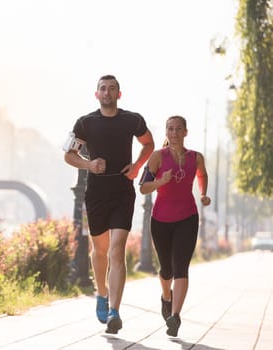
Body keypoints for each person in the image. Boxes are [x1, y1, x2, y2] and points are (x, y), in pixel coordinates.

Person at [64, 75, 154, 334]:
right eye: (103, 89)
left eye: (111, 89)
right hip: (96, 193)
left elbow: (148, 143)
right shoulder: (85, 123)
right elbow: (69, 155)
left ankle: (115, 310)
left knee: (117, 251)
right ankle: (101, 294)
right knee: (100, 251)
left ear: (119, 94)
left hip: (122, 192)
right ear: (97, 94)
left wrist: (137, 166)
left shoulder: (132, 120)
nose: (107, 92)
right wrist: (89, 165)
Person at [139, 115, 211, 337]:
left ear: (185, 132)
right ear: (166, 132)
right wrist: (161, 182)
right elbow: (142, 187)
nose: (174, 133)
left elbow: (202, 174)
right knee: (166, 269)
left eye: (179, 129)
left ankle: (175, 316)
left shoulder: (196, 157)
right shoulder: (157, 157)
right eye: (170, 129)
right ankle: (166, 297)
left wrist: (204, 194)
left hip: (187, 218)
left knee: (181, 267)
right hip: (161, 220)